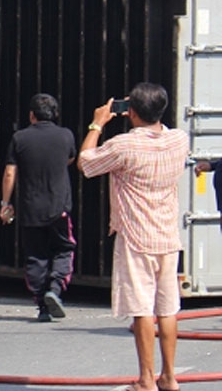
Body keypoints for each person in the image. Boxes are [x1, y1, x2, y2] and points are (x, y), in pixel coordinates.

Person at [78, 83, 189, 391]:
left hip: (136, 235)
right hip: (168, 235)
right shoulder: (180, 139)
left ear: (132, 113)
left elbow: (86, 162)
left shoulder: (124, 145)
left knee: (142, 309)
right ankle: (169, 376)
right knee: (168, 308)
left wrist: (97, 124)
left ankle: (146, 379)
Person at [0, 93, 77, 322]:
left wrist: (5, 203)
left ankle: (42, 305)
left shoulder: (19, 138)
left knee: (36, 256)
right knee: (64, 248)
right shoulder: (66, 135)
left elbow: (10, 172)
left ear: (31, 115)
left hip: (30, 208)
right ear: (55, 114)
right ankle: (55, 288)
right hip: (59, 207)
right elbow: (70, 160)